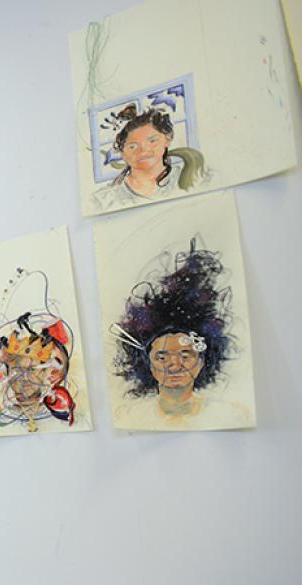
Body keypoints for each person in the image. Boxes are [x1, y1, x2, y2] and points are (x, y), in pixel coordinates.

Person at [111, 240, 250, 428]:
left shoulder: (229, 416)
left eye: (186, 355)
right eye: (162, 357)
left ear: (201, 362)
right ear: (148, 365)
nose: (174, 365)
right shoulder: (130, 417)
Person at [92, 107, 207, 210]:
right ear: (123, 154)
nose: (143, 150)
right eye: (133, 146)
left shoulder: (196, 178)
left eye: (152, 141)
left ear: (167, 140)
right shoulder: (103, 200)